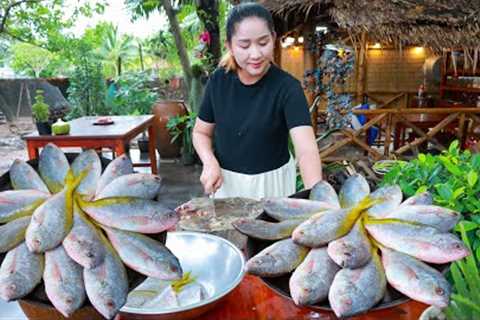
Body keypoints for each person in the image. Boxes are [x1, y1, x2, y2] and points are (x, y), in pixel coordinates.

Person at [192, 3, 322, 200]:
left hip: (273, 186)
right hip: (226, 185)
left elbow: (306, 151)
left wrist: (317, 199)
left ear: (274, 39)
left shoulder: (287, 88)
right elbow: (201, 132)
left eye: (263, 43)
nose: (255, 54)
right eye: (244, 45)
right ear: (230, 46)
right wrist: (210, 162)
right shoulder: (218, 81)